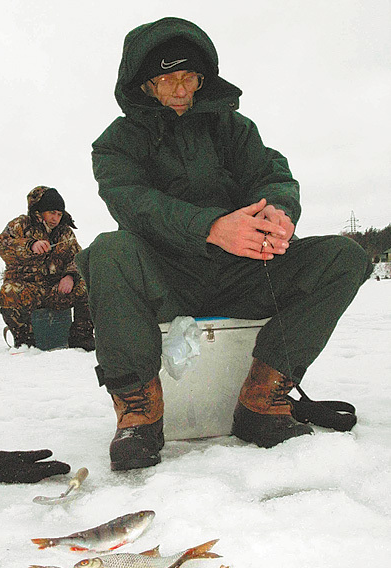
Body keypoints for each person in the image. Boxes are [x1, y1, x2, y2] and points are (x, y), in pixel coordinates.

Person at [76, 17, 372, 471]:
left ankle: (263, 398)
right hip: (166, 280)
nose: (181, 89)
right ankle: (139, 413)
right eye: (168, 78)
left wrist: (278, 212)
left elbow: (271, 174)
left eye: (190, 77)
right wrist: (211, 226)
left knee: (343, 256)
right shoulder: (115, 144)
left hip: (242, 275)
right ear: (143, 82)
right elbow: (134, 204)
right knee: (107, 250)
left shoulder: (233, 128)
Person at [0, 185, 94, 351]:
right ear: (39, 211)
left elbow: (77, 258)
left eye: (59, 214)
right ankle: (25, 341)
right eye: (51, 213)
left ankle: (80, 336)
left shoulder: (65, 233)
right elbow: (2, 245)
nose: (55, 218)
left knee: (88, 285)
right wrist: (30, 246)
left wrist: (70, 276)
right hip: (29, 289)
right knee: (8, 292)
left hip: (56, 290)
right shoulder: (20, 225)